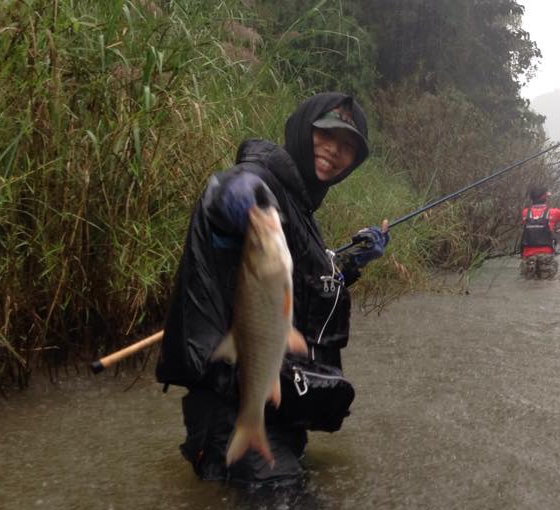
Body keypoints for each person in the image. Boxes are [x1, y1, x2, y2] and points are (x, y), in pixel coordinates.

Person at [156, 92, 389, 487]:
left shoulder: (302, 212)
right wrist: (242, 203)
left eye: (348, 146)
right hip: (228, 401)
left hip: (276, 405)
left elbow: (298, 293)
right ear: (302, 130)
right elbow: (223, 191)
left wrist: (350, 266)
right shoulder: (261, 179)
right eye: (326, 135)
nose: (335, 151)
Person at [519, 186, 560, 279]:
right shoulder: (554, 212)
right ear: (544, 197)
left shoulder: (525, 212)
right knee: (547, 283)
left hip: (527, 255)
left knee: (527, 283)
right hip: (546, 254)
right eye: (547, 196)